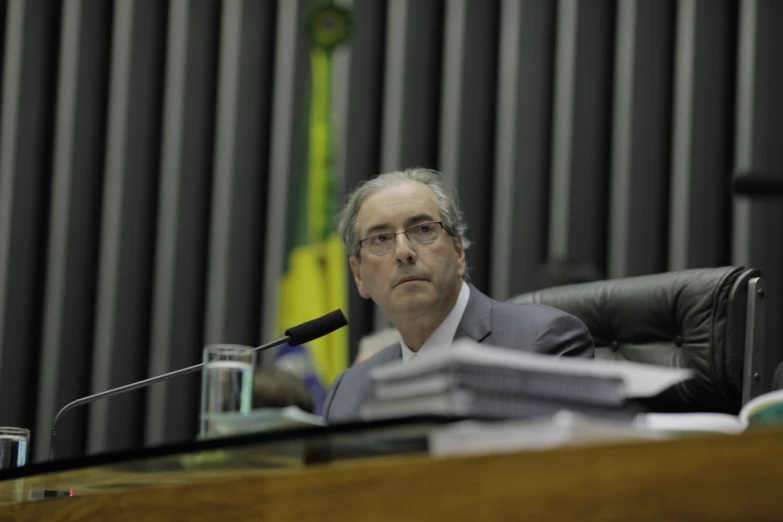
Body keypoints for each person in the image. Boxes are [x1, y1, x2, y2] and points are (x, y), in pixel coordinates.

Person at [322, 168, 594, 423]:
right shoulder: (347, 393)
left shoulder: (541, 344)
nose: (403, 252)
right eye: (381, 239)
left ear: (459, 252)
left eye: (424, 230)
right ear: (359, 276)